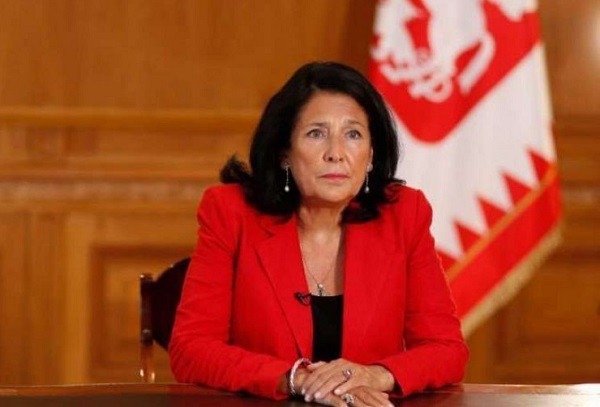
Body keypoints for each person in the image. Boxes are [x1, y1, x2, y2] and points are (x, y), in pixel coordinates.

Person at [169, 61, 469, 406]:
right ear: (284, 153)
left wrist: (373, 375)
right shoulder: (231, 213)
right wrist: (297, 379)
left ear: (371, 154)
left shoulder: (403, 215)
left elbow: (446, 350)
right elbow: (191, 350)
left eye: (353, 134)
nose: (336, 154)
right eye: (316, 133)